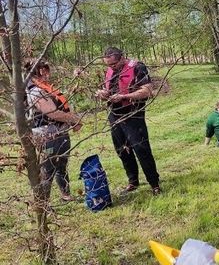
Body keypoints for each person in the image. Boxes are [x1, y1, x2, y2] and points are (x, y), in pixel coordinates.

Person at [95, 47, 161, 195]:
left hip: (133, 113)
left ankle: (154, 183)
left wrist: (124, 96)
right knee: (122, 149)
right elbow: (110, 89)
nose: (111, 67)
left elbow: (147, 91)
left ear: (122, 58)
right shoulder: (110, 70)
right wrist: (103, 94)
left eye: (113, 64)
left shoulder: (137, 67)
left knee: (141, 148)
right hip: (115, 113)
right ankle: (133, 181)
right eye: (108, 65)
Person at [25, 60, 82, 202]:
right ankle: (43, 203)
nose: (47, 72)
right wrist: (74, 119)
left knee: (62, 164)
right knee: (48, 168)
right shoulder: (35, 90)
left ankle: (66, 194)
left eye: (47, 69)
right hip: (47, 135)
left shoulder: (46, 87)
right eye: (44, 69)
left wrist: (70, 120)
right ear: (38, 71)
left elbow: (61, 106)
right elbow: (53, 113)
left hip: (60, 132)